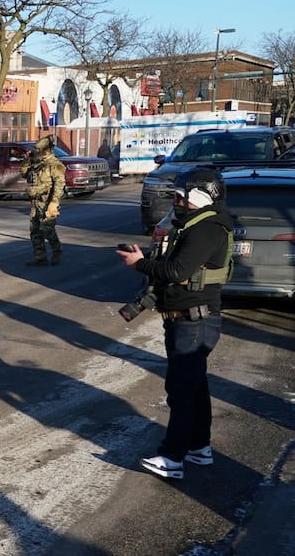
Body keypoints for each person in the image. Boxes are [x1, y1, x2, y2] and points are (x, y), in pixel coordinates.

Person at [116, 168, 231, 480]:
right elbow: (174, 263)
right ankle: (199, 448)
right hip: (189, 319)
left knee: (181, 392)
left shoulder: (206, 228)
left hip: (194, 322)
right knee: (195, 388)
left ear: (200, 196)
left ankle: (172, 458)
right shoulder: (198, 224)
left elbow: (178, 271)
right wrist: (146, 257)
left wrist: (139, 264)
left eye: (181, 197)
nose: (176, 202)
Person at [21, 136, 66, 266]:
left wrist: (54, 202)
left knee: (47, 229)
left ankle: (56, 251)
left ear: (45, 151)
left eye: (38, 150)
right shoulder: (37, 163)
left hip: (47, 202)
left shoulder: (55, 164)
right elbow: (24, 174)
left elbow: (59, 184)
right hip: (36, 202)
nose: (36, 151)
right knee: (35, 231)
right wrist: (26, 160)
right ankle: (40, 256)